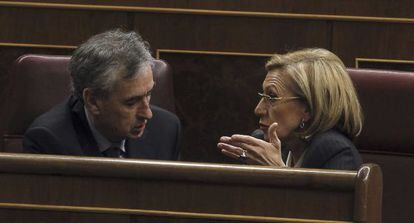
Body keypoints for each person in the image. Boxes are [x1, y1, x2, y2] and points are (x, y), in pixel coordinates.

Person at [23, 29, 181, 160]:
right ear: (93, 101)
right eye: (131, 102)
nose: (148, 113)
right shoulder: (48, 142)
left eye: (148, 94)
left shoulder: (167, 130)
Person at [218, 48, 362, 170]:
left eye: (272, 97)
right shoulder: (267, 147)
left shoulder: (336, 153)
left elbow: (317, 204)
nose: (258, 109)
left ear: (308, 109)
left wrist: (277, 170)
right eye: (263, 96)